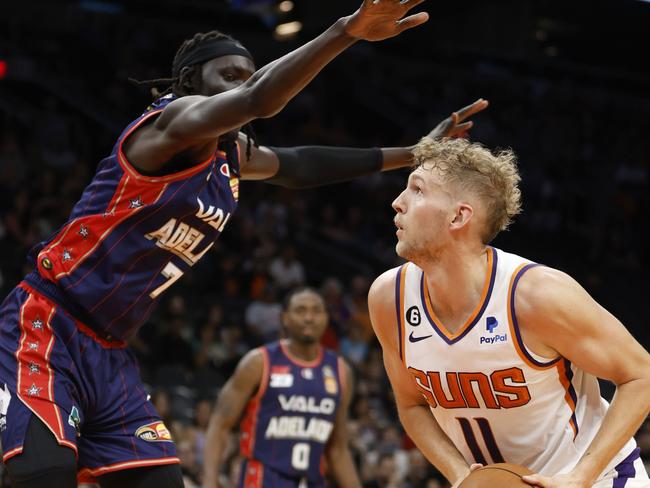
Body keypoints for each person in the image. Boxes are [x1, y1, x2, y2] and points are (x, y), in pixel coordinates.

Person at [0, 2, 490, 486]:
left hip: (109, 352)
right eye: (228, 76)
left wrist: (413, 154)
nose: (242, 84)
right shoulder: (169, 126)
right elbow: (258, 98)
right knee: (42, 476)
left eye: (248, 74)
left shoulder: (230, 154)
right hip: (47, 325)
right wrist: (346, 31)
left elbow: (300, 166)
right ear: (192, 84)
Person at [368, 137, 650, 487]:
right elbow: (412, 406)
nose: (397, 203)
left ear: (459, 216)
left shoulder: (535, 295)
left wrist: (580, 477)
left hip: (597, 480)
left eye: (417, 190)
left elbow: (642, 375)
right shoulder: (389, 299)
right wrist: (460, 476)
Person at [202, 287, 361, 488]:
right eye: (300, 310)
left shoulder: (341, 371)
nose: (309, 318)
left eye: (316, 310)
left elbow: (338, 449)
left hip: (312, 481)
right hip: (263, 480)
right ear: (284, 317)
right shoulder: (258, 362)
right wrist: (209, 480)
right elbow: (219, 425)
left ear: (326, 317)